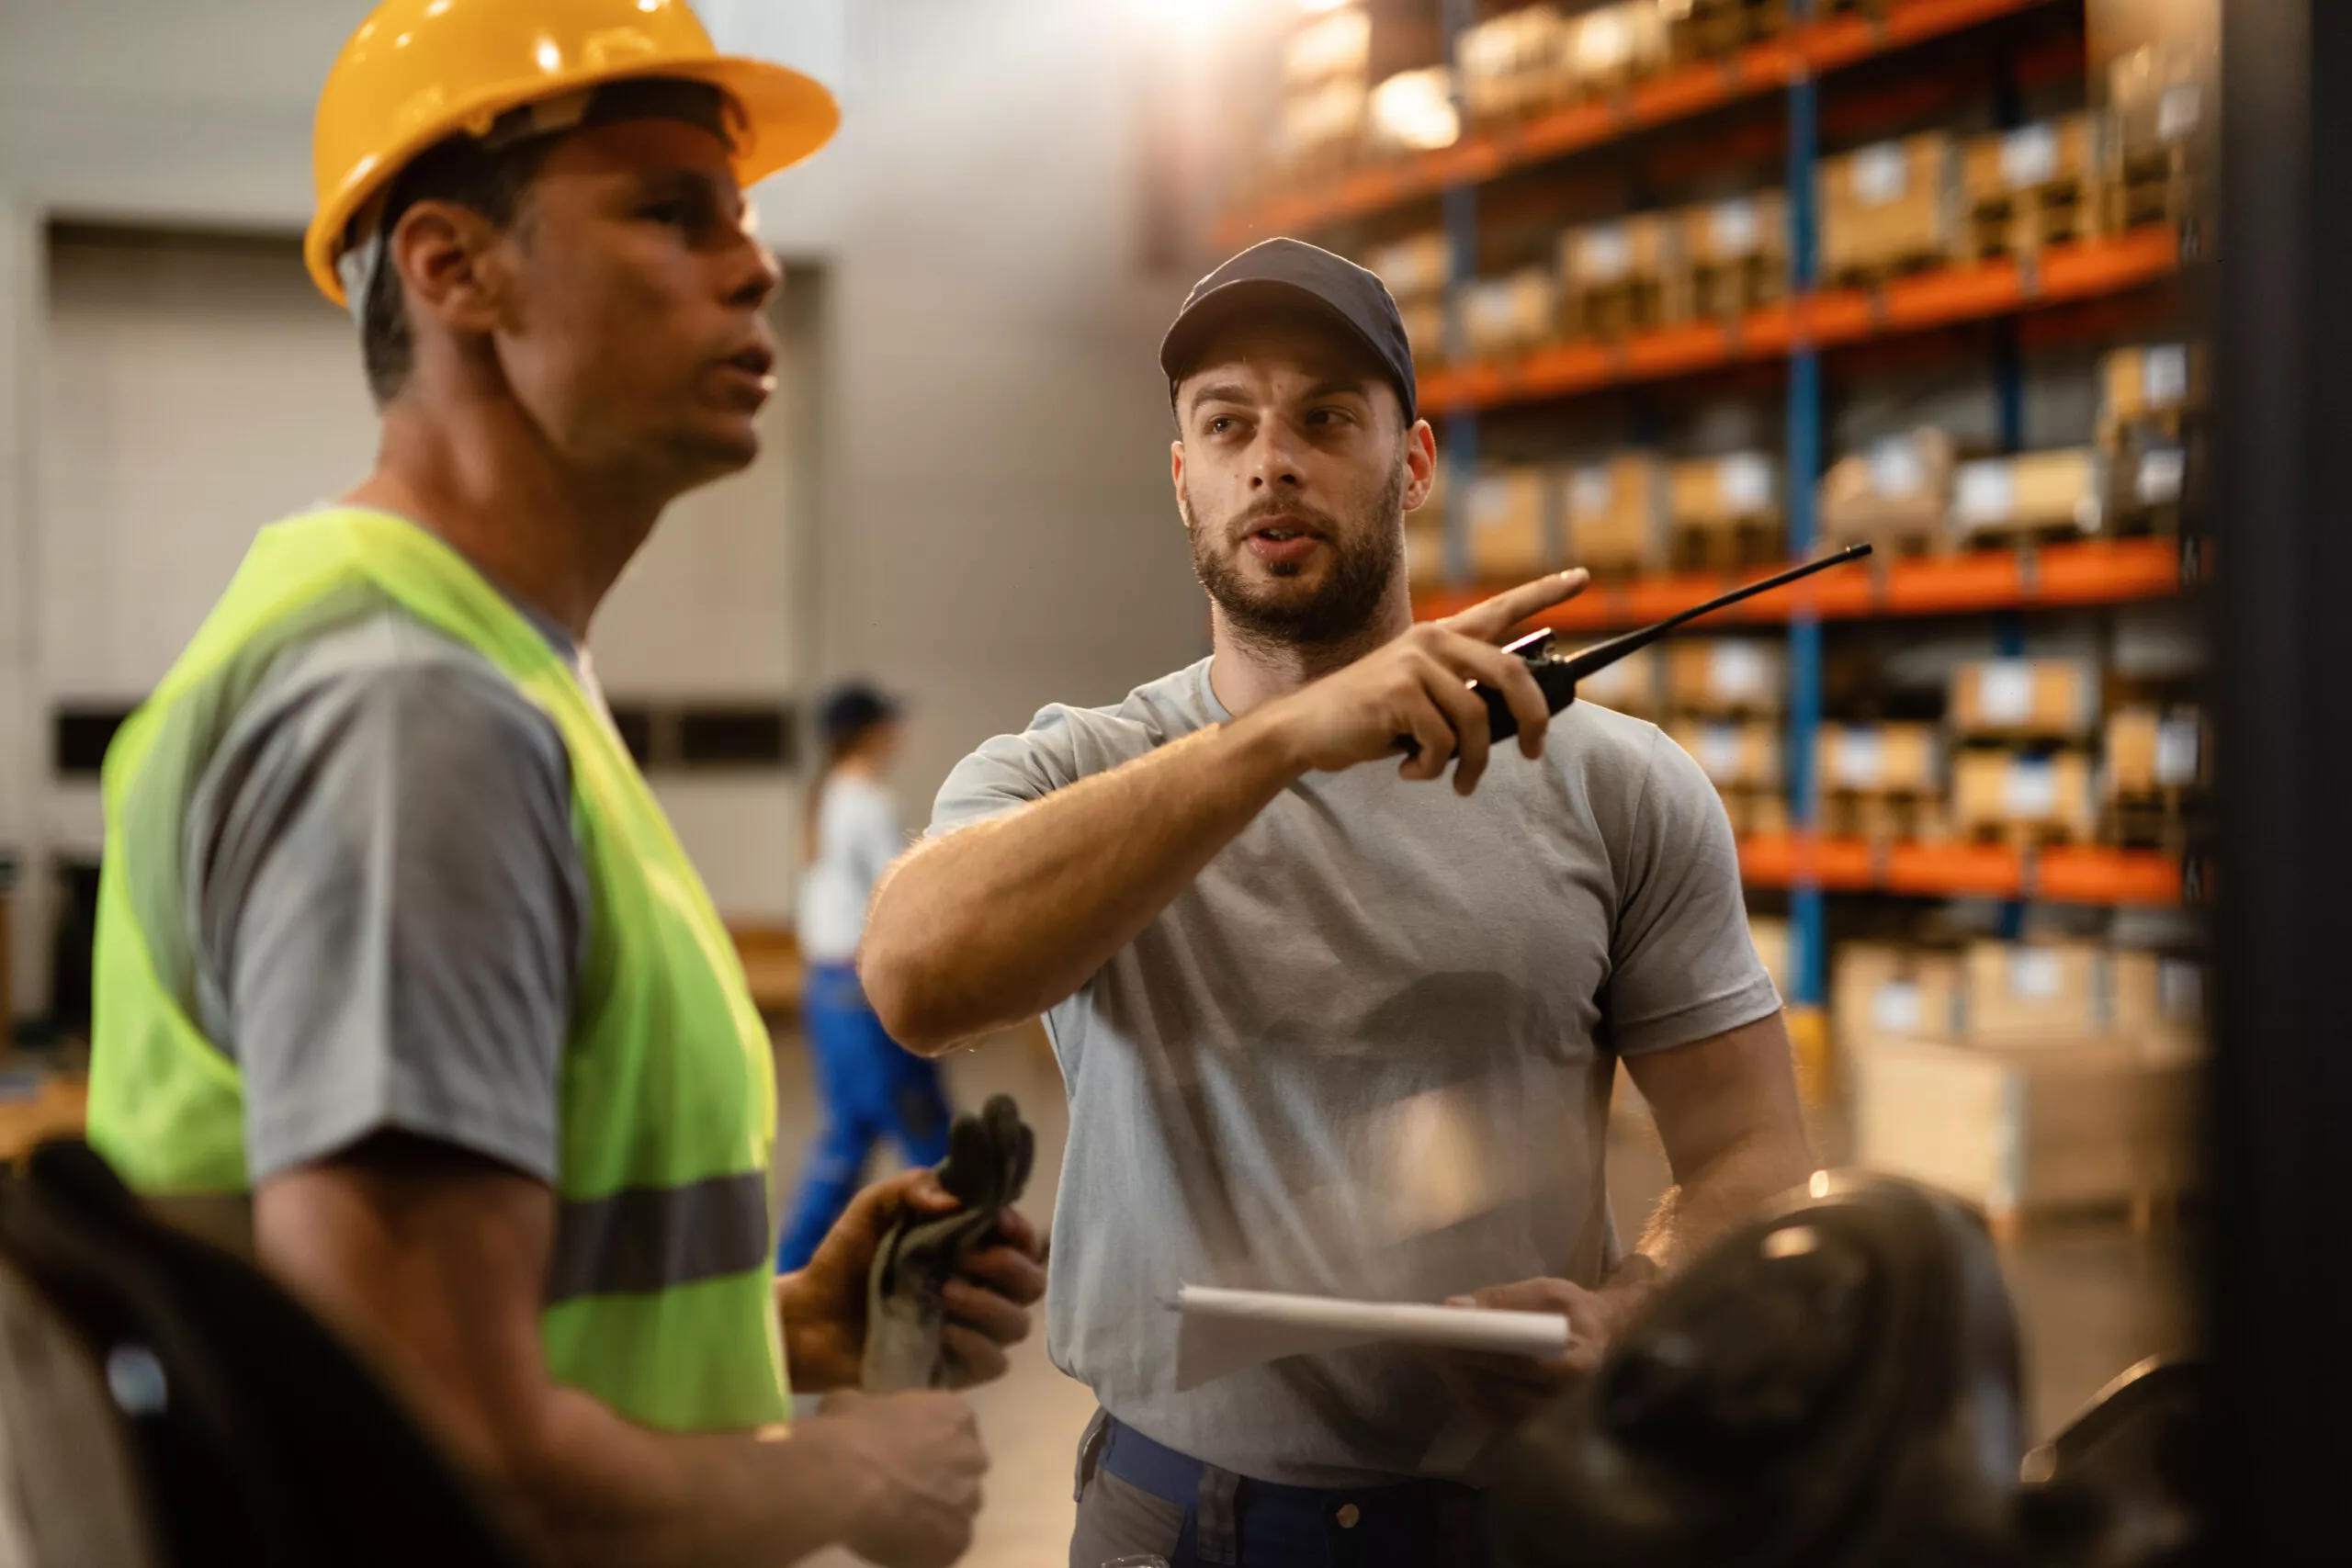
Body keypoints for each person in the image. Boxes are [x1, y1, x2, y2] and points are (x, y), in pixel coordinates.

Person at [84, 4, 1041, 1565]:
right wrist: (854, 1481)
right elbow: (441, 1455)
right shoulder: (412, 718)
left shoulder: (481, 667)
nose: (759, 264)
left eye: (743, 216)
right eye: (673, 211)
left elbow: (470, 1317)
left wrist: (779, 1327)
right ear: (453, 268)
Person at [859, 237, 1815, 1567]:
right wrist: (1286, 741)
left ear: (1411, 460)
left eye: (1326, 416)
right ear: (1182, 473)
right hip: (1168, 1520)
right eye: (1227, 423)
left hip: (1514, 1517)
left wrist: (1633, 1313)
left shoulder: (1617, 787)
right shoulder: (1067, 773)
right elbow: (914, 979)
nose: (1273, 459)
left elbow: (1753, 1151)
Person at [775, 682, 953, 1272]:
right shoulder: (866, 801)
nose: (898, 735)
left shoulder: (828, 793)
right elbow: (896, 893)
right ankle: (961, 1253)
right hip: (861, 991)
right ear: (870, 732)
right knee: (921, 1131)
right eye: (890, 724)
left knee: (853, 1133)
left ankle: (793, 1266)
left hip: (830, 987)